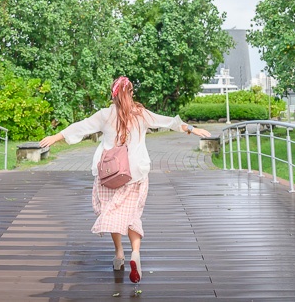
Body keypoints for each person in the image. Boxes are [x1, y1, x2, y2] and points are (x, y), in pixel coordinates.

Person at [39, 75, 211, 284]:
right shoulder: (141, 114)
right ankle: (135, 254)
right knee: (132, 215)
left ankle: (119, 253)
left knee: (113, 212)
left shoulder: (105, 115)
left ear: (113, 96)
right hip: (136, 174)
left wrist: (56, 137)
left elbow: (80, 127)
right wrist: (193, 129)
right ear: (130, 93)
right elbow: (169, 122)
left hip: (110, 175)